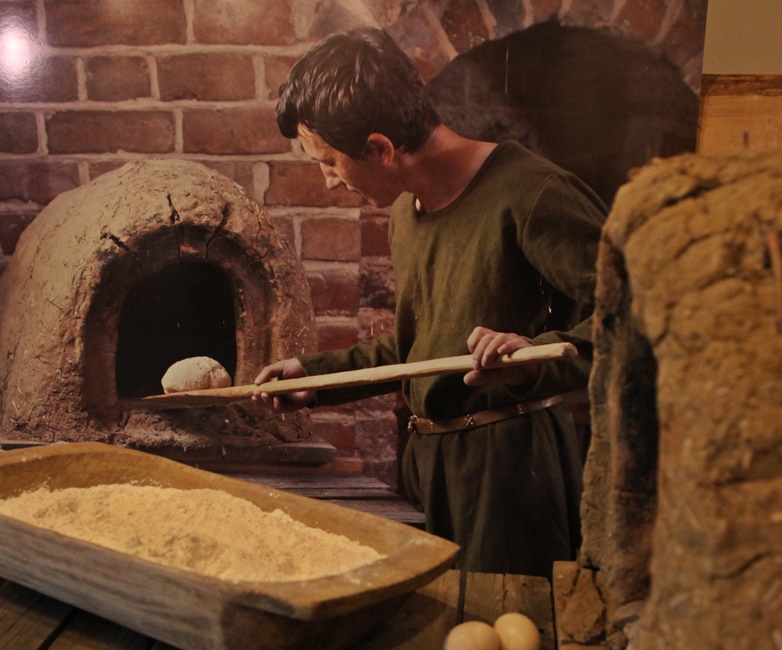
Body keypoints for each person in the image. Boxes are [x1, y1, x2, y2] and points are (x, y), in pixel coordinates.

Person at [254, 28, 606, 577]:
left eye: (328, 161)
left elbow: (636, 319)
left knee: (510, 635)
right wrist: (315, 377)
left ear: (379, 148)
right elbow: (420, 347)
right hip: (430, 460)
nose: (327, 182)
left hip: (511, 469)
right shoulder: (406, 211)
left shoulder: (534, 195)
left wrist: (532, 355)